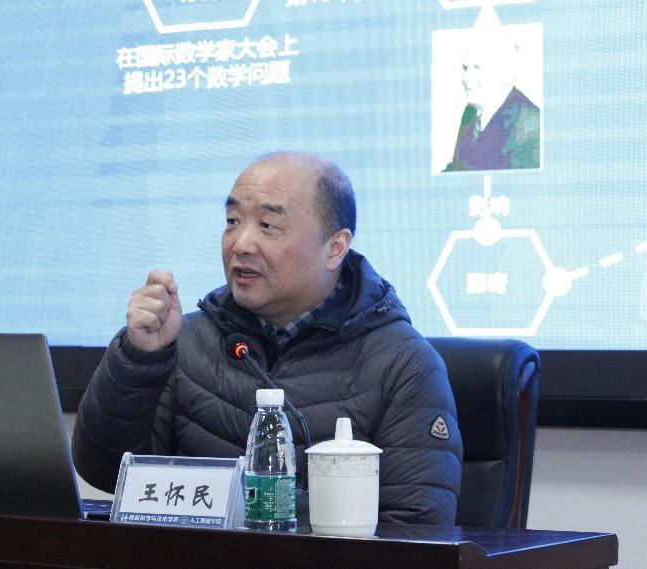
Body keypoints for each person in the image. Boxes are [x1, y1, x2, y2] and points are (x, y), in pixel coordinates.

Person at [73, 151, 463, 525]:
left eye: (267, 226)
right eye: (232, 221)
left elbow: (417, 528)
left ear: (335, 248)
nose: (241, 244)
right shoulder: (186, 340)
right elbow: (106, 472)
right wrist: (140, 358)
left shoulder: (404, 364)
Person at [444, 29, 540, 172]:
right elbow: (457, 168)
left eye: (477, 68)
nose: (465, 77)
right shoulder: (470, 112)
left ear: (505, 75)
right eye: (465, 68)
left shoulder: (530, 124)